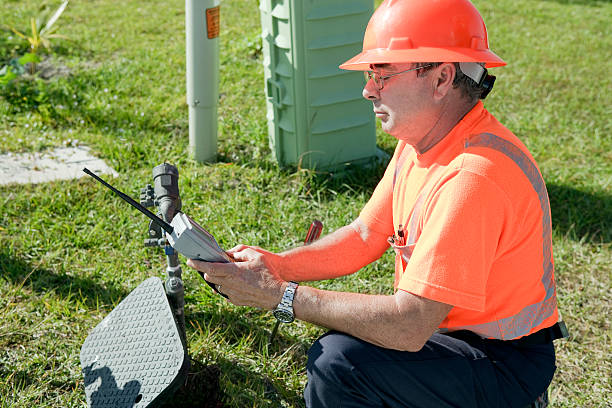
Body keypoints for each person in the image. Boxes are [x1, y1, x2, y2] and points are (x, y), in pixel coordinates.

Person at [187, 0, 567, 406]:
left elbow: (408, 325)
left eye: (382, 74)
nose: (368, 89)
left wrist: (281, 296)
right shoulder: (422, 141)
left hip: (501, 364)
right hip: (454, 340)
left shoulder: (472, 177)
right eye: (371, 74)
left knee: (339, 365)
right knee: (341, 356)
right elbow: (365, 234)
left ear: (441, 78)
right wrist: (276, 266)